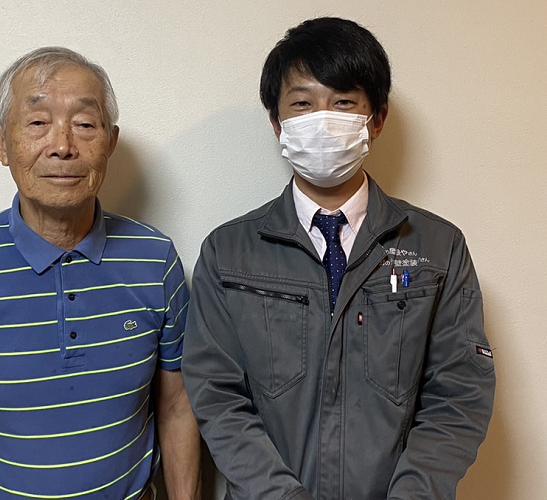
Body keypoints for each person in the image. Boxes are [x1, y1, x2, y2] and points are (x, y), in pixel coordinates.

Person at [182, 17, 495, 500]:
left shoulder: (438, 247)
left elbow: (458, 396)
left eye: (344, 102)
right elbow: (217, 397)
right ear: (278, 124)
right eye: (302, 104)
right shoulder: (228, 252)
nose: (323, 119)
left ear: (377, 119)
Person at [0, 47, 201, 500]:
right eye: (37, 123)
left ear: (110, 142)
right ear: (0, 143)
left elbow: (177, 408)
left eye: (84, 124)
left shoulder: (155, 260)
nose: (62, 146)